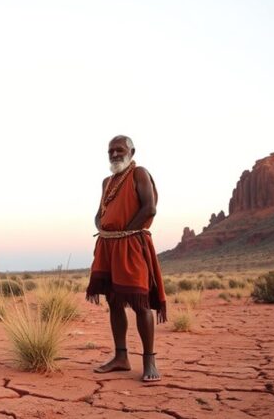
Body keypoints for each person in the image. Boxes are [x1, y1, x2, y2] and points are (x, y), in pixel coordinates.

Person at [86, 135, 167, 383]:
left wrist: (125, 233)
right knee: (114, 300)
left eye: (119, 150)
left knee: (140, 302)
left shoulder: (139, 173)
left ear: (132, 151)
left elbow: (149, 208)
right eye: (110, 151)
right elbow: (100, 213)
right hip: (108, 246)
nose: (114, 154)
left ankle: (149, 361)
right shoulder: (107, 182)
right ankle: (121, 357)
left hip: (131, 245)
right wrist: (102, 227)